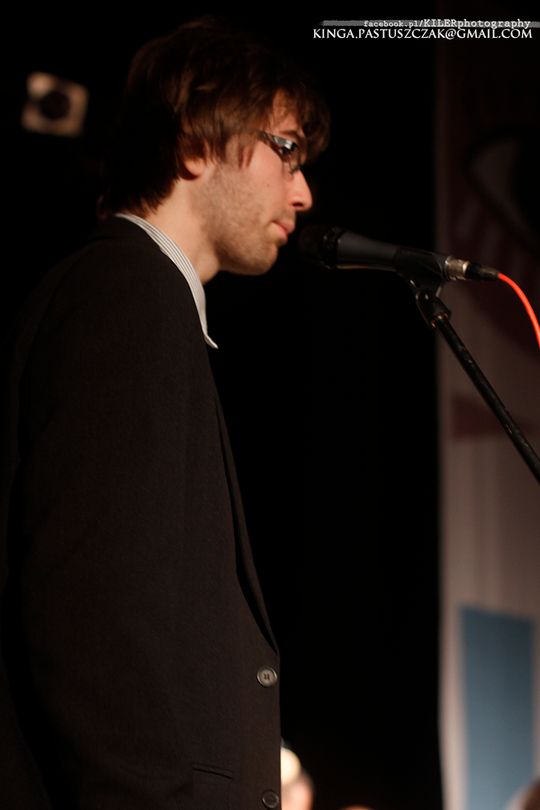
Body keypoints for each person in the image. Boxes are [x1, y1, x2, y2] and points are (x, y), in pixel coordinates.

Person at [0, 16, 329, 809]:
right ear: (195, 145)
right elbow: (90, 612)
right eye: (286, 150)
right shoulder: (128, 295)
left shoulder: (141, 298)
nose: (304, 192)